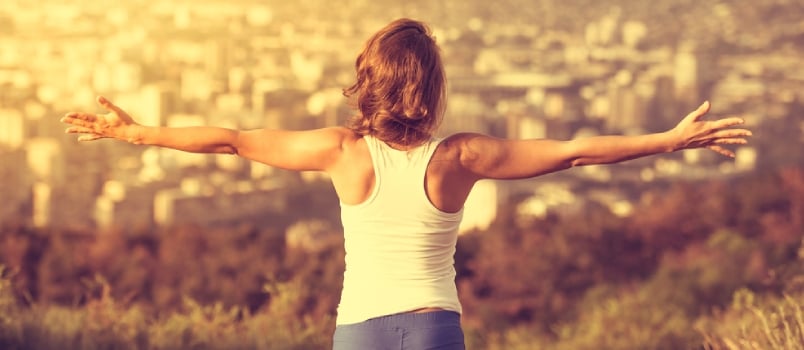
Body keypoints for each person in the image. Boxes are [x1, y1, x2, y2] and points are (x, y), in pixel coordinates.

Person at [61, 18, 751, 350]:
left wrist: (134, 133)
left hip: (359, 330)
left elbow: (231, 141)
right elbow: (573, 154)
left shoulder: (339, 150)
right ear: (434, 88)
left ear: (370, 83)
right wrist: (669, 139)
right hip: (433, 329)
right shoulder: (461, 157)